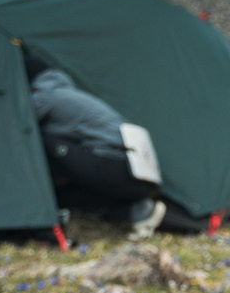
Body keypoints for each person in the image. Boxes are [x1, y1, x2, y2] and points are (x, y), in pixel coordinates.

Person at [28, 61, 165, 237]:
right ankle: (137, 211)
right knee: (66, 195)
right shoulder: (68, 93)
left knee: (40, 140)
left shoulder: (46, 96)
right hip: (141, 174)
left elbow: (19, 127)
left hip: (117, 164)